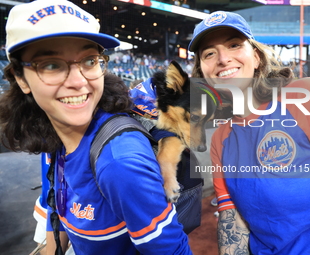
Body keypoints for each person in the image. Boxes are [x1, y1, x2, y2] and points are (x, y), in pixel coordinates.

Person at [0, 0, 192, 254]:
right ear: (20, 78)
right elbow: (57, 213)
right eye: (51, 65)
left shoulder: (120, 163)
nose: (79, 81)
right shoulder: (52, 132)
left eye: (89, 60)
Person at [188, 11, 310, 255]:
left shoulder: (308, 97)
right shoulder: (220, 140)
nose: (223, 58)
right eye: (209, 53)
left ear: (256, 57)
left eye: (234, 44)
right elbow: (231, 219)